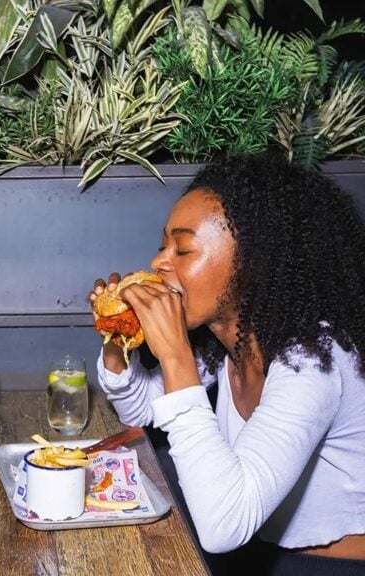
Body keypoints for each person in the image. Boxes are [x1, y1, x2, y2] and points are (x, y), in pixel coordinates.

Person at [90, 153, 365, 575]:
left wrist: (176, 355)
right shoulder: (229, 340)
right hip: (251, 551)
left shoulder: (313, 361)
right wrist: (117, 338)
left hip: (320, 565)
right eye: (163, 245)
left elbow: (222, 526)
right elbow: (143, 411)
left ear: (252, 263)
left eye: (182, 248)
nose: (160, 262)